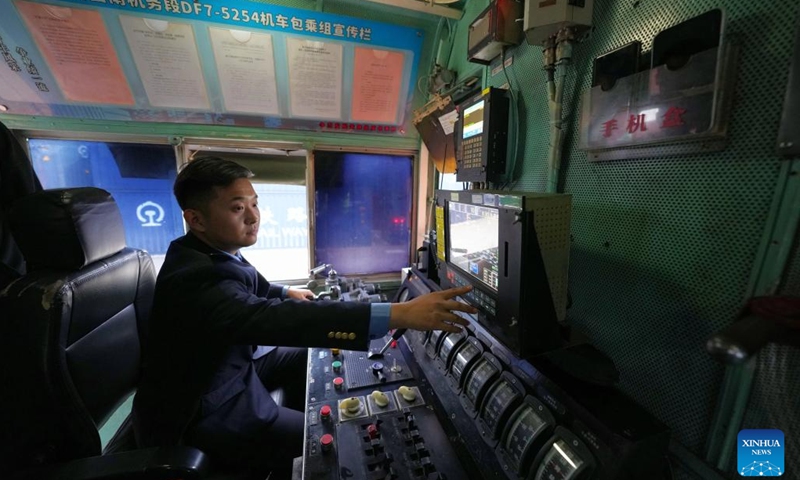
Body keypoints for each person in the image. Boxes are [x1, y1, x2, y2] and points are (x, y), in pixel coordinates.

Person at [131, 156, 476, 477]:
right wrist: (399, 313)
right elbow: (273, 318)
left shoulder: (204, 251)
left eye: (254, 204)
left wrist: (285, 292)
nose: (253, 217)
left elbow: (248, 286)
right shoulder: (195, 277)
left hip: (222, 367)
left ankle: (301, 412)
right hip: (203, 406)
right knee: (334, 440)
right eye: (238, 208)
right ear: (196, 219)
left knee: (306, 355)